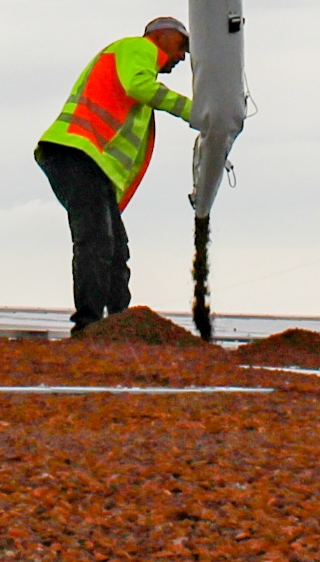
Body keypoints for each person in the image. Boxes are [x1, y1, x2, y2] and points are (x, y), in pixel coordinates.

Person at [35, 17, 200, 336]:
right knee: (97, 240)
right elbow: (139, 85)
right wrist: (195, 112)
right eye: (182, 46)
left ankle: (118, 324)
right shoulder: (138, 48)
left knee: (114, 246)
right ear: (162, 36)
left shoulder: (132, 66)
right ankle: (91, 325)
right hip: (76, 152)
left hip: (84, 160)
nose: (183, 57)